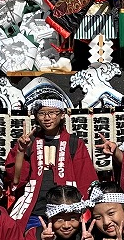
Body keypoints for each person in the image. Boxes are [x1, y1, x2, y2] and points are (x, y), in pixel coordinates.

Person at [6, 96, 98, 230]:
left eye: (52, 112)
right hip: (35, 211)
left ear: (62, 115)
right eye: (42, 113)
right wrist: (20, 151)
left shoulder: (74, 143)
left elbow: (86, 180)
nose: (47, 117)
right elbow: (16, 179)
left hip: (66, 212)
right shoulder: (28, 142)